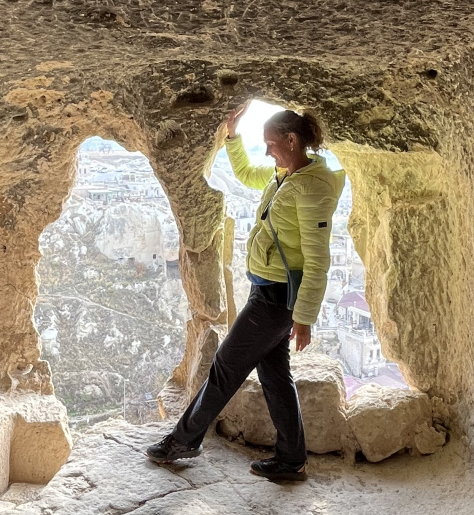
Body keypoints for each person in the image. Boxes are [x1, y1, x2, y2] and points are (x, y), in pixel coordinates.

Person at [146, 101, 345, 483]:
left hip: (277, 296)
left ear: (291, 139)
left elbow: (319, 259)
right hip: (267, 289)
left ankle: (183, 441)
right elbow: (245, 174)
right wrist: (232, 136)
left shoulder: (312, 188)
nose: (267, 151)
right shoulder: (284, 175)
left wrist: (304, 318)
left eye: (271, 144)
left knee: (225, 366)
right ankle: (291, 460)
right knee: (275, 377)